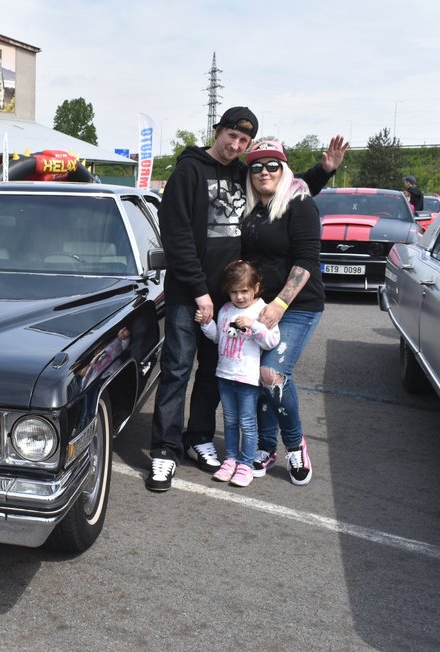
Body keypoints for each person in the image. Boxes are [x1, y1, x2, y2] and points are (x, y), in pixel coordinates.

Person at [145, 105, 348, 493]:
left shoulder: (243, 171)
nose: (235, 145)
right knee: (176, 370)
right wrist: (200, 292)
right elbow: (177, 238)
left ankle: (198, 439)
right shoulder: (188, 171)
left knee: (213, 371)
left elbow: (283, 181)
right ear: (216, 130)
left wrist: (322, 172)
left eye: (243, 141)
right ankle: (164, 452)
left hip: (229, 299)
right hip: (190, 294)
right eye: (230, 136)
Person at [240, 140, 326, 486]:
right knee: (258, 379)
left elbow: (306, 260)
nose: (264, 172)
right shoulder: (249, 210)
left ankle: (294, 445)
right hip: (257, 307)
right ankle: (264, 446)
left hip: (297, 307)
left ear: (284, 169)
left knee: (272, 374)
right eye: (257, 166)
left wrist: (280, 304)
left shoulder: (299, 204)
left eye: (272, 165)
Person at [197, 260, 280, 488]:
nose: (239, 297)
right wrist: (206, 324)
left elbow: (272, 340)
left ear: (256, 288)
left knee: (247, 422)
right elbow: (218, 337)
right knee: (230, 421)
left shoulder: (261, 311)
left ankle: (245, 464)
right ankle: (231, 459)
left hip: (247, 378)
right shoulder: (225, 310)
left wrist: (254, 326)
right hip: (225, 374)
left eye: (244, 291)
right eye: (234, 292)